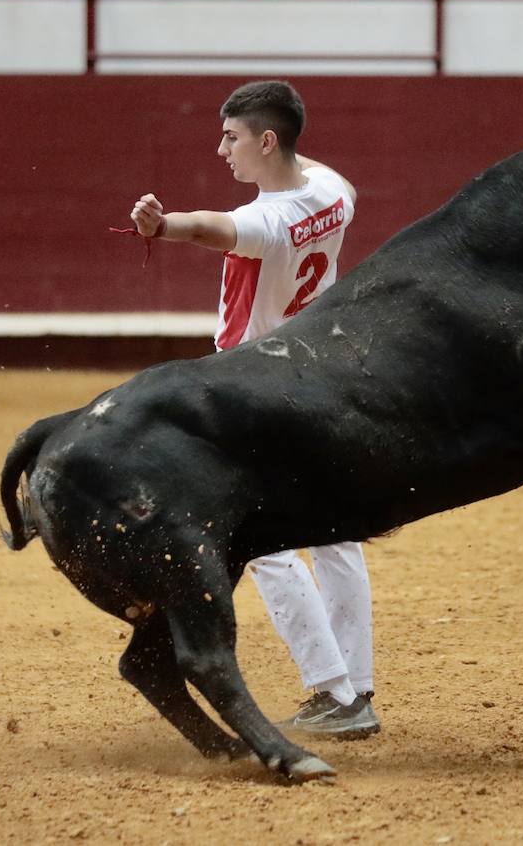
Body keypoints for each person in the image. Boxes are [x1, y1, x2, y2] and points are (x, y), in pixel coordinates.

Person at [128, 81, 380, 740]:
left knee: (260, 543)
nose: (222, 150)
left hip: (258, 389)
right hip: (320, 376)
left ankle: (334, 690)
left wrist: (164, 225)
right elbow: (330, 182)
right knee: (335, 536)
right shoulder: (331, 194)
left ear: (267, 141)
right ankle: (357, 686)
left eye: (232, 137)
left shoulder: (268, 224)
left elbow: (214, 227)